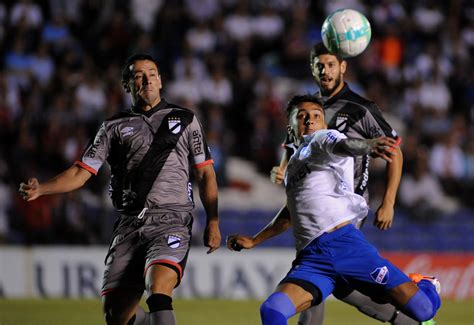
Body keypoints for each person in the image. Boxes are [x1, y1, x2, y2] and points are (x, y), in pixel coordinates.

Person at [18, 53, 222, 325]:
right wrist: (42, 189)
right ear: (127, 84)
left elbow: (206, 172)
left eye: (152, 73)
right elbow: (82, 172)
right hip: (129, 225)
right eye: (138, 75)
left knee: (158, 287)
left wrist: (214, 220)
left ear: (160, 80)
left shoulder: (185, 120)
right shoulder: (112, 127)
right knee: (116, 317)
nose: (147, 79)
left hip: (171, 220)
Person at [228, 95, 441, 325]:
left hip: (345, 246)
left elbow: (344, 145)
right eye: (302, 117)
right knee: (272, 310)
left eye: (316, 116)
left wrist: (368, 145)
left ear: (324, 124)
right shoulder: (293, 168)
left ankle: (425, 283)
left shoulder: (323, 139)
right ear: (290, 127)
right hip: (311, 259)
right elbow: (291, 212)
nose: (310, 120)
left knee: (424, 310)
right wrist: (255, 240)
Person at [270, 42, 418, 325]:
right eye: (319, 65)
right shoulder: (307, 108)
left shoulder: (361, 108)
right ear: (312, 68)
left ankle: (412, 307)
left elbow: (394, 151)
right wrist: (282, 169)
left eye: (331, 65)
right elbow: (292, 147)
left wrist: (388, 202)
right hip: (316, 202)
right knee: (341, 286)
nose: (325, 71)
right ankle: (409, 317)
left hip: (345, 210)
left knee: (311, 269)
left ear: (343, 67)